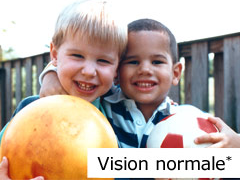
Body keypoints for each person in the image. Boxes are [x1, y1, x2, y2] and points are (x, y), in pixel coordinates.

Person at [37, 18, 240, 149]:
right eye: (133, 61)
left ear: (176, 72)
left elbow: (223, 154)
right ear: (116, 72)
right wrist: (51, 74)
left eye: (157, 62)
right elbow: (72, 77)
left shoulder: (189, 120)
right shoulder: (103, 102)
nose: (145, 69)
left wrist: (236, 145)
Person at [0, 0, 128, 180]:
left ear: (116, 69)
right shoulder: (30, 110)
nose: (89, 71)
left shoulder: (119, 114)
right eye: (77, 56)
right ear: (54, 54)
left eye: (103, 61)